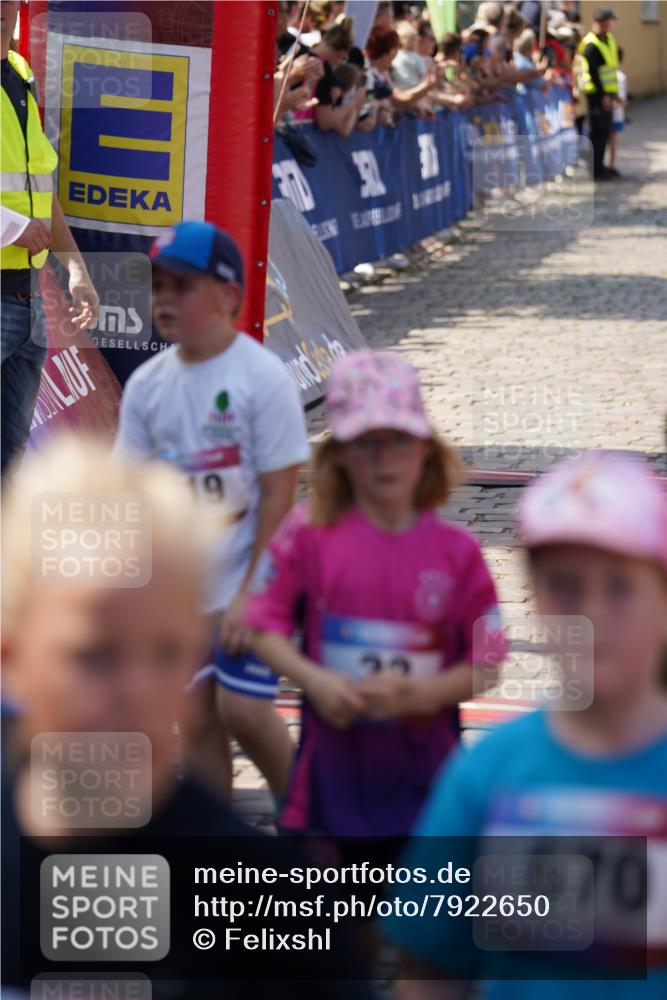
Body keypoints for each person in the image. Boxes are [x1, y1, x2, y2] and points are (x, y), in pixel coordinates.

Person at [0, 435, 371, 999]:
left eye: (169, 654)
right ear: (11, 658)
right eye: (94, 655)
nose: (138, 692)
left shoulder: (269, 914)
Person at [385, 451, 667, 999]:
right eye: (565, 586)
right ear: (534, 597)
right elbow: (428, 974)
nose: (591, 613)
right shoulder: (487, 777)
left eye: (620, 587)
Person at [244, 351, 507, 848]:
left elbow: (487, 662)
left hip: (429, 790)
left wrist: (420, 694)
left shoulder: (458, 554)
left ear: (427, 449)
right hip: (331, 786)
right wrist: (315, 681)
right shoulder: (307, 536)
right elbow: (262, 624)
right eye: (366, 444)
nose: (384, 459)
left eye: (399, 441)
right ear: (339, 455)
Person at [113, 221, 310, 804]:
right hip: (183, 594)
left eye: (182, 286)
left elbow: (279, 496)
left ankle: (308, 824)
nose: (164, 300)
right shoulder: (147, 386)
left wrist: (252, 593)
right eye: (157, 286)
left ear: (228, 296)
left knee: (243, 708)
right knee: (196, 720)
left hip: (254, 580)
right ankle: (217, 843)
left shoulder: (262, 378)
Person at [1, 0, 99, 477]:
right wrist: (12, 227)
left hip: (29, 300)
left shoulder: (20, 73)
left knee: (9, 458)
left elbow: (41, 191)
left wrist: (75, 267)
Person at [579, 7, 620, 181]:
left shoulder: (608, 39)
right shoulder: (591, 44)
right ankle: (595, 169)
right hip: (596, 95)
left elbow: (611, 69)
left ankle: (601, 167)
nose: (612, 24)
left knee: (605, 131)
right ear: (602, 22)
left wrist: (614, 93)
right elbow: (594, 73)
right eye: (610, 20)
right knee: (597, 131)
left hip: (608, 93)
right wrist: (604, 96)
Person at [608, 45, 627, 177]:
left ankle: (605, 165)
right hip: (616, 114)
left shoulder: (607, 75)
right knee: (613, 143)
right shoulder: (621, 76)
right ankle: (611, 165)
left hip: (607, 112)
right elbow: (621, 99)